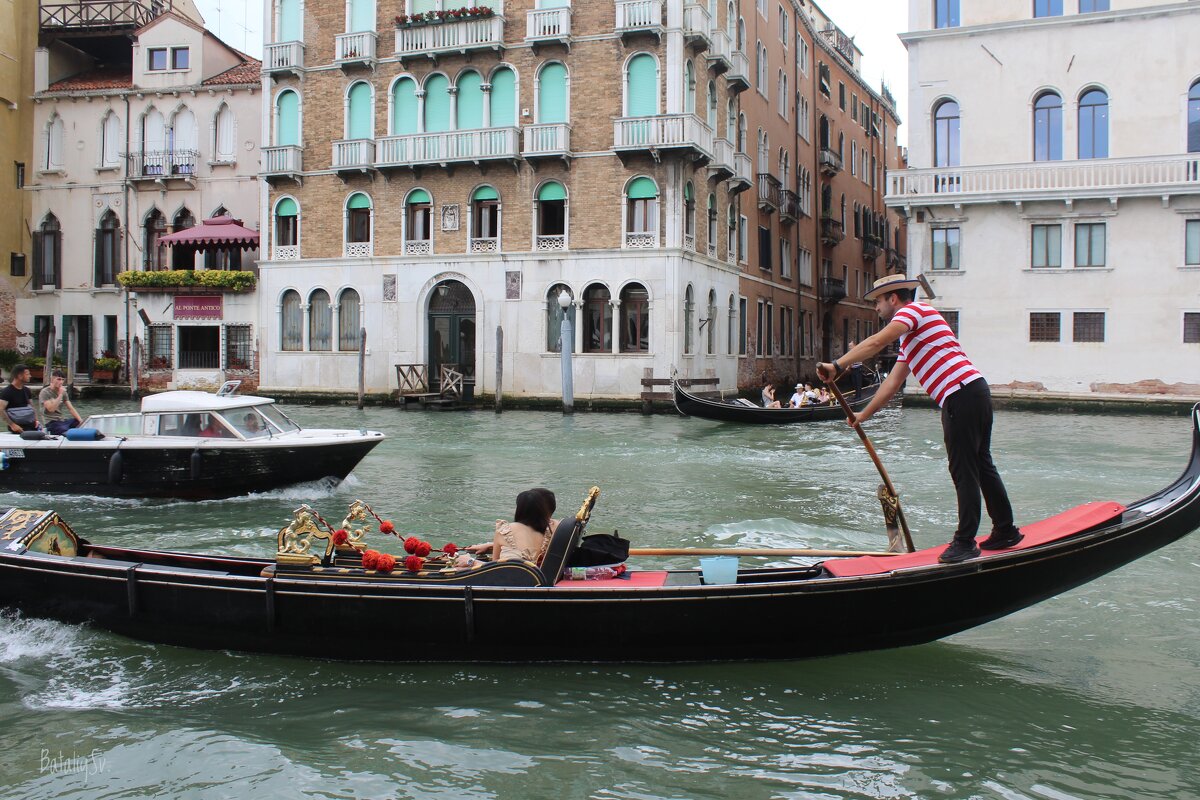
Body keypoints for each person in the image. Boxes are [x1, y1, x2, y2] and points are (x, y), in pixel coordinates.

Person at [817, 273, 1023, 564]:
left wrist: (837, 364)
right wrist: (864, 414)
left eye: (878, 301)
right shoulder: (910, 339)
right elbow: (892, 384)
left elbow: (876, 343)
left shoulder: (914, 310)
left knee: (964, 469)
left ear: (893, 298)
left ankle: (965, 542)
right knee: (981, 464)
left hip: (959, 394)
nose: (875, 307)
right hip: (973, 391)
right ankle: (1005, 530)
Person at [463, 488, 559, 564]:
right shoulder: (552, 530)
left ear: (520, 509)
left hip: (511, 580)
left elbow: (494, 566)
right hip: (538, 579)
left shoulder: (505, 530)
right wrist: (489, 545)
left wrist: (470, 561)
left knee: (461, 561)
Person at [39, 369, 83, 436]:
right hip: (51, 422)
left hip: (62, 421)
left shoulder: (63, 392)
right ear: (52, 379)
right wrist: (60, 395)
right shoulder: (45, 392)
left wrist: (81, 421)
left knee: (78, 422)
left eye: (63, 380)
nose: (61, 382)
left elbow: (71, 408)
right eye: (59, 379)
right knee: (63, 429)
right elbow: (51, 409)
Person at [0, 364, 40, 433]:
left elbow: (32, 407)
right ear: (20, 376)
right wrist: (12, 425)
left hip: (31, 424)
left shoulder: (27, 390)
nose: (30, 376)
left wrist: (36, 420)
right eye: (27, 374)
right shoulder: (7, 392)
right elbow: (1, 409)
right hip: (17, 427)